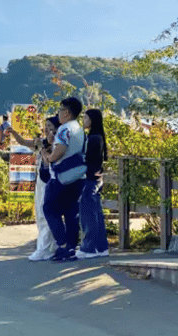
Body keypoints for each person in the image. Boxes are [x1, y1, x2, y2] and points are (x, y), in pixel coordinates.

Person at [6, 115, 61, 261]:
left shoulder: (60, 144)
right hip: (41, 181)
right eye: (46, 127)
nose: (47, 130)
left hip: (52, 182)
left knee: (45, 214)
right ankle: (50, 246)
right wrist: (13, 132)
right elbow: (24, 142)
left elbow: (50, 160)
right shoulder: (42, 142)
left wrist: (45, 147)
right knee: (40, 213)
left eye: (51, 128)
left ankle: (44, 248)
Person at [42, 97, 86, 262]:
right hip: (77, 175)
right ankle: (71, 248)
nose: (59, 113)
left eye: (60, 110)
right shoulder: (79, 128)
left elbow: (60, 150)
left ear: (66, 112)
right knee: (70, 212)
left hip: (61, 176)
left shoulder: (63, 129)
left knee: (49, 208)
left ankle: (62, 244)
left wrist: (49, 157)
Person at [76, 108, 110, 259]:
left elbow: (89, 160)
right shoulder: (96, 136)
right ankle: (100, 247)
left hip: (89, 179)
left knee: (88, 215)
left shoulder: (94, 138)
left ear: (92, 120)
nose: (83, 120)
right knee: (96, 214)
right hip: (95, 179)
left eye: (86, 117)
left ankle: (90, 248)